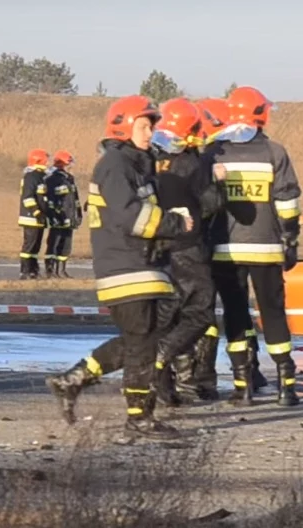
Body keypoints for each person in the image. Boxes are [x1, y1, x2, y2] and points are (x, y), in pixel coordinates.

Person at [45, 95, 194, 439]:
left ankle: (72, 381)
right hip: (126, 266)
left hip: (141, 263)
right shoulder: (116, 164)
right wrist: (173, 223)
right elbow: (131, 216)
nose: (150, 132)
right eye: (144, 125)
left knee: (139, 339)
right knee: (141, 342)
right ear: (124, 126)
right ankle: (139, 417)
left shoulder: (136, 163)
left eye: (152, 125)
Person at [202, 86, 302, 407]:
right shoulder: (275, 152)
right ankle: (286, 384)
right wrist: (290, 240)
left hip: (224, 252)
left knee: (235, 315)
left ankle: (242, 384)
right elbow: (288, 203)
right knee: (273, 314)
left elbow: (203, 203)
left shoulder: (211, 153)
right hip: (267, 249)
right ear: (261, 114)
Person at [149, 97, 228, 406]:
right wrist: (219, 184)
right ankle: (168, 361)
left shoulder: (150, 160)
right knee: (200, 313)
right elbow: (209, 205)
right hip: (190, 247)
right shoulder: (194, 163)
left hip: (158, 246)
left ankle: (165, 383)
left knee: (167, 315)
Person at [43, 150, 83, 278]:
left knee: (66, 245)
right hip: (59, 217)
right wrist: (54, 215)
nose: (70, 166)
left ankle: (62, 270)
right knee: (54, 244)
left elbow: (75, 199)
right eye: (68, 163)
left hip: (69, 217)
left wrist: (78, 214)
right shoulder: (52, 179)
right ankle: (51, 270)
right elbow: (50, 200)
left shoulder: (69, 178)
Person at [18, 149, 51, 280]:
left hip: (39, 218)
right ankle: (24, 271)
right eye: (45, 160)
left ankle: (33, 270)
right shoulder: (31, 176)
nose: (47, 162)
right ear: (39, 160)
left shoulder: (41, 176)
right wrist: (37, 212)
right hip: (30, 217)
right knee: (29, 245)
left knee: (36, 246)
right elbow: (28, 197)